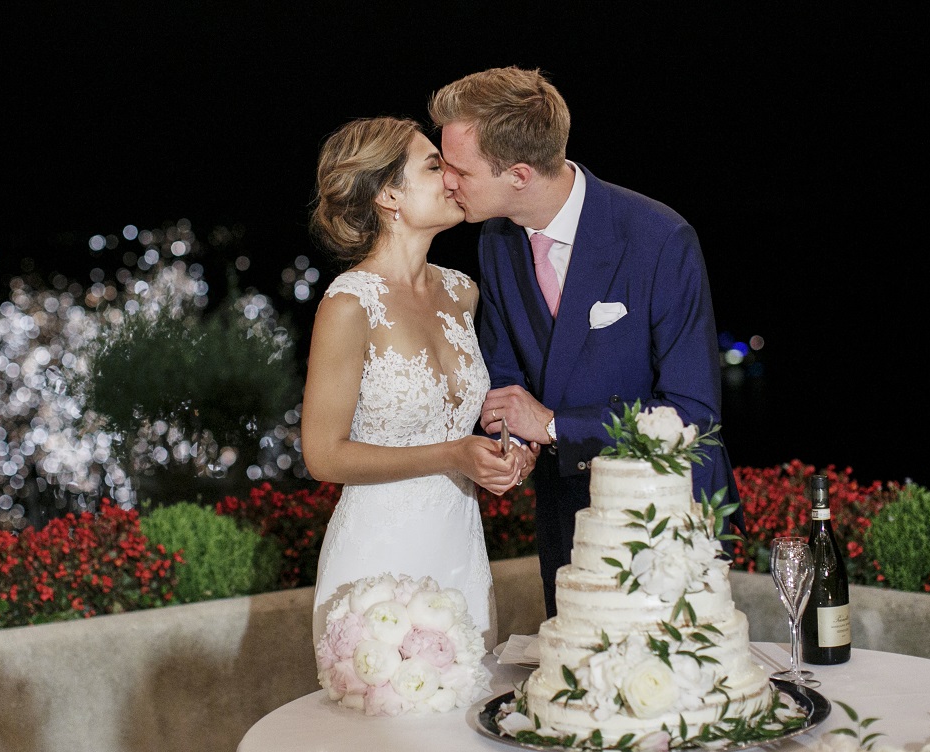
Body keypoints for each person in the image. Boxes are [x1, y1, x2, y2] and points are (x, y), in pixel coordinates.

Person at [429, 67, 745, 617]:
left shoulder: (659, 239)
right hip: (565, 518)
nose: (445, 181)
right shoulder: (495, 241)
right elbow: (506, 375)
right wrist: (515, 440)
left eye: (458, 169)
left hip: (664, 520)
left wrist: (552, 426)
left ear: (520, 174)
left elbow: (692, 412)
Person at [302, 116, 537, 652]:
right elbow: (323, 455)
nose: (452, 177)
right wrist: (454, 455)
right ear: (389, 193)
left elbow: (481, 407)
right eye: (435, 166)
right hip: (376, 561)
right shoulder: (348, 305)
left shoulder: (462, 292)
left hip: (459, 550)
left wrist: (512, 451)